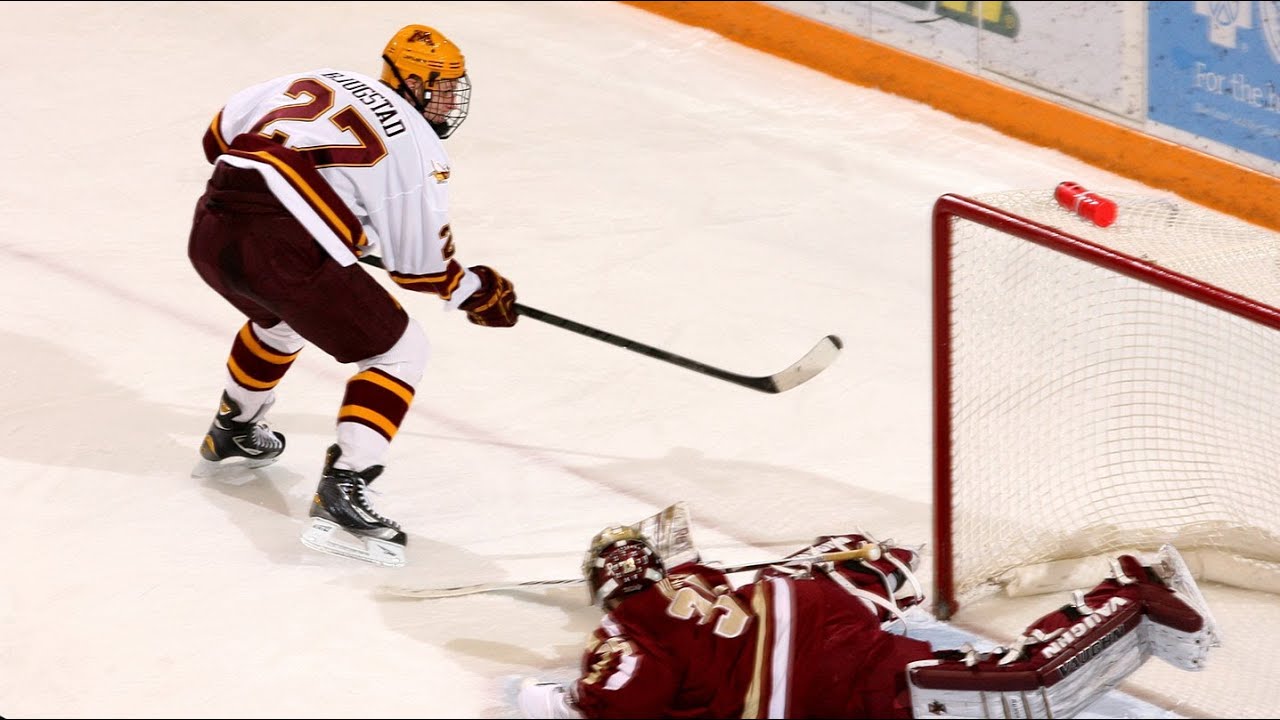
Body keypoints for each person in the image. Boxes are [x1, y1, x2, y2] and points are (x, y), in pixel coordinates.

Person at [187, 24, 518, 568]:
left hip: (210, 229)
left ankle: (234, 428)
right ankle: (346, 485)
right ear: (413, 83)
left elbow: (215, 140)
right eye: (441, 88)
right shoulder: (416, 142)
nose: (448, 103)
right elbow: (419, 268)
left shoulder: (322, 77)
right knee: (400, 350)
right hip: (284, 247)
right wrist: (475, 291)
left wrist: (333, 213)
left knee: (279, 322)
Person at [515, 527, 1219, 719]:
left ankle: (1135, 592)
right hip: (808, 610)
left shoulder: (626, 632)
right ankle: (1133, 601)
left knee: (1018, 690)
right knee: (994, 684)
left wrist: (559, 698)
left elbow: (624, 694)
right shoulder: (699, 577)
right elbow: (859, 567)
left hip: (812, 678)